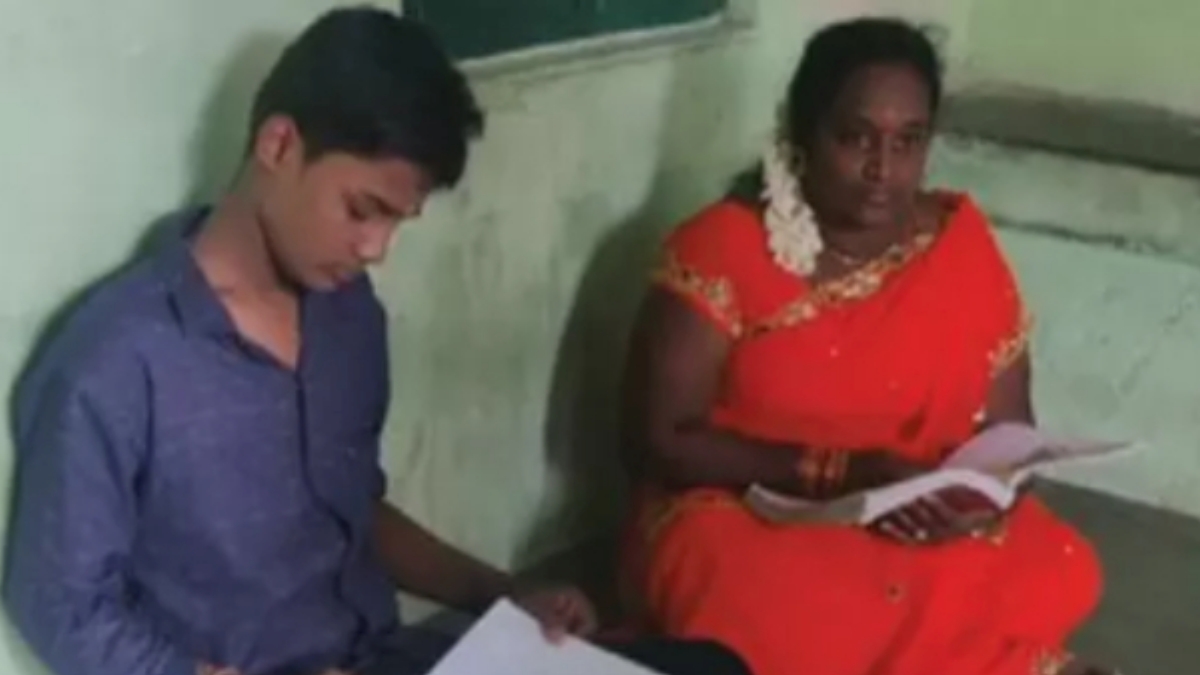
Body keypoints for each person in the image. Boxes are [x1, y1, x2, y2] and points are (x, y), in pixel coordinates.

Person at [2, 9, 751, 675]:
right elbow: (60, 607)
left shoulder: (345, 313)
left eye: (397, 221)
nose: (376, 249)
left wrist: (502, 593)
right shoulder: (117, 360)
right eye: (362, 210)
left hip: (388, 655)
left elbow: (353, 509)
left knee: (711, 667)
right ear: (278, 144)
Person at [619, 18, 1118, 675]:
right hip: (753, 507)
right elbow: (656, 440)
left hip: (912, 504)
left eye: (908, 141)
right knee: (767, 603)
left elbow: (1012, 432)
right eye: (856, 138)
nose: (883, 169)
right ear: (803, 134)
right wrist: (837, 473)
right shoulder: (722, 245)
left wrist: (974, 506)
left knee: (1054, 566)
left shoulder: (958, 244)